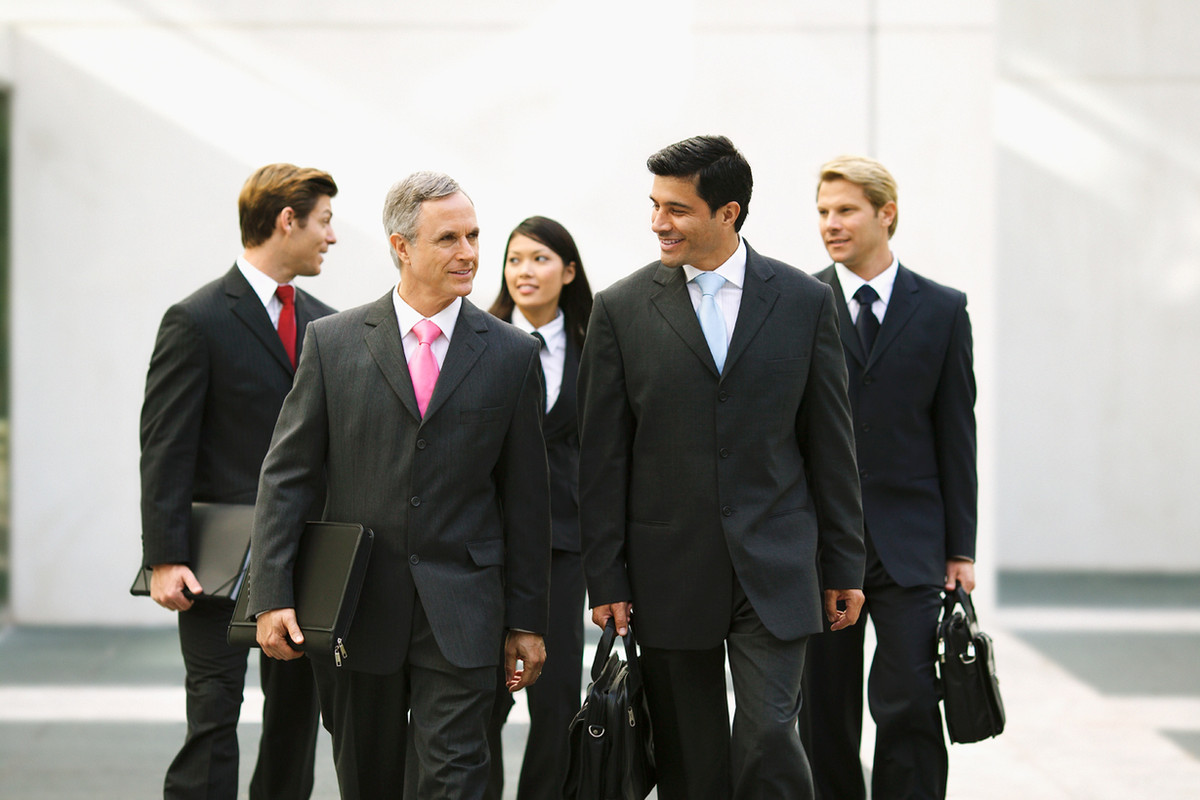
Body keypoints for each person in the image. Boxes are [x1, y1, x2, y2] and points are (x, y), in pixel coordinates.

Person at [577, 135, 867, 800]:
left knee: (768, 735)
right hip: (668, 571)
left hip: (778, 563)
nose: (658, 223)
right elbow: (601, 461)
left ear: (728, 213)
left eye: (676, 209)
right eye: (654, 206)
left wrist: (843, 563)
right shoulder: (620, 311)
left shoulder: (802, 302)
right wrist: (607, 577)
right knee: (690, 759)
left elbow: (831, 446)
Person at [249, 171, 553, 800]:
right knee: (369, 781)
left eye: (473, 236)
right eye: (448, 238)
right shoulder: (332, 343)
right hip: (358, 609)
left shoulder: (510, 354)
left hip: (465, 610)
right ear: (401, 246)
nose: (469, 253)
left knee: (457, 778)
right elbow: (288, 475)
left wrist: (527, 619)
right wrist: (272, 593)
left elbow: (526, 499)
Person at [139, 163, 337, 799]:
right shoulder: (195, 320)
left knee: (294, 727)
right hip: (213, 566)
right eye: (324, 221)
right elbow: (165, 449)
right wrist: (165, 558)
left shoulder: (330, 328)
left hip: (304, 556)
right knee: (212, 719)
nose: (331, 237)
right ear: (288, 220)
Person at [800, 155, 978, 800]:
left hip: (911, 545)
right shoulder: (799, 303)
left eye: (845, 210)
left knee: (908, 701)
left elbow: (956, 436)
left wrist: (960, 548)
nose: (830, 224)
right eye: (822, 212)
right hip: (821, 545)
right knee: (823, 714)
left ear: (886, 214)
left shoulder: (942, 309)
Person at [484, 216, 593, 800]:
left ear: (569, 271)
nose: (524, 271)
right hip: (489, 543)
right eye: (515, 259)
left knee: (557, 706)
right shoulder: (480, 336)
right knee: (484, 702)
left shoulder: (595, 344)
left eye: (540, 259)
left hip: (565, 544)